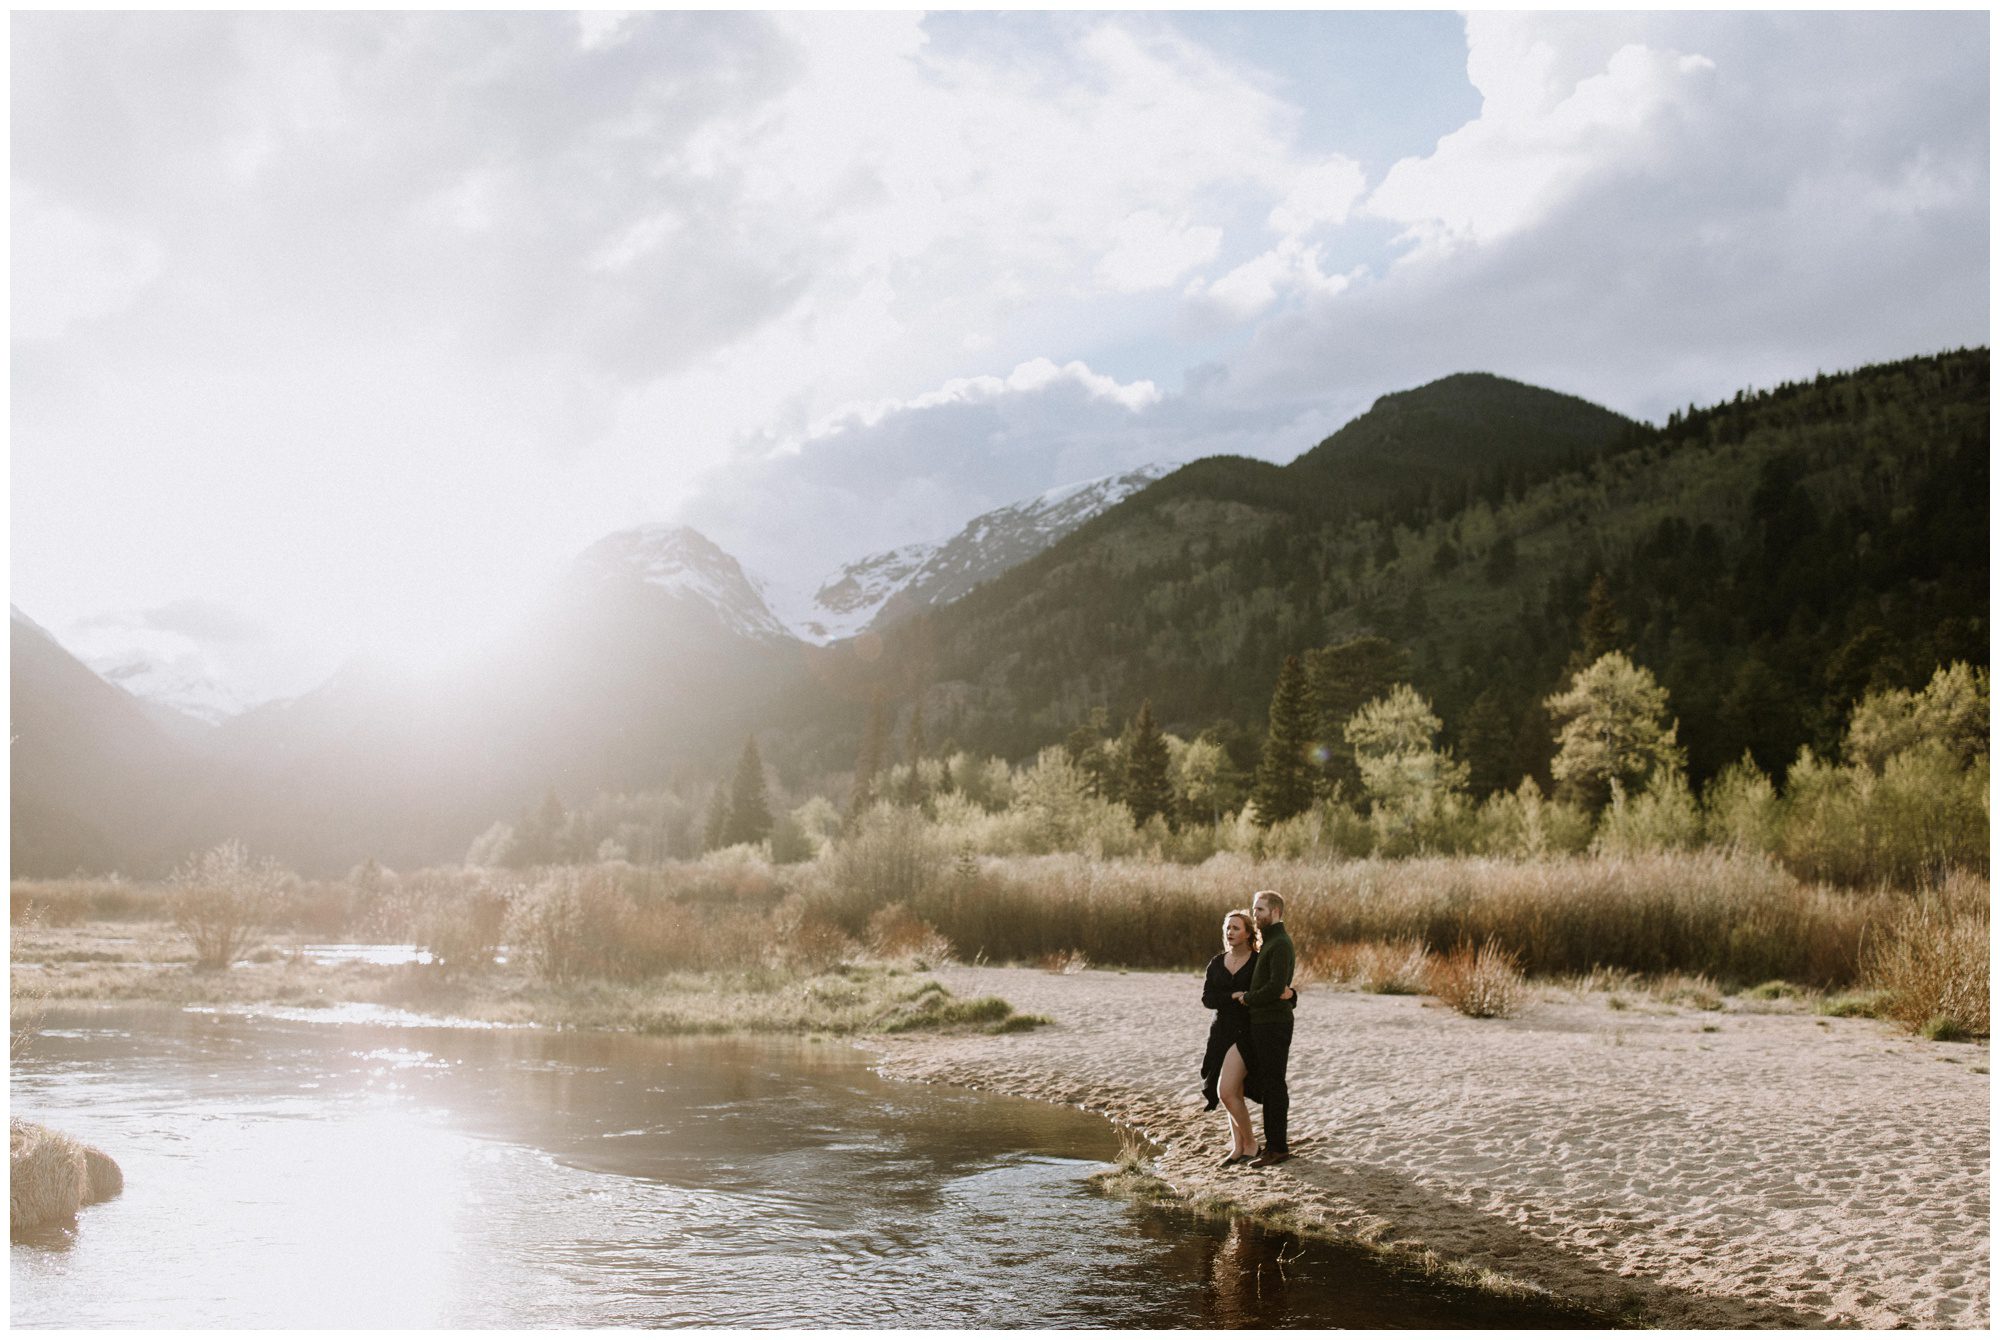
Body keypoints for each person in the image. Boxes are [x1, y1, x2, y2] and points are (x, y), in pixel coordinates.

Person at [1233, 889, 1296, 1167]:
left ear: (1276, 912)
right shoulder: (1270, 941)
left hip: (1273, 1023)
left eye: (1260, 909)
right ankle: (1273, 1145)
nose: (1255, 914)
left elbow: (1274, 988)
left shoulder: (1280, 943)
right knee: (1267, 1084)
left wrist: (1248, 998)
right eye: (1254, 909)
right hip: (1264, 1022)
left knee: (1273, 1085)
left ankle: (1277, 1148)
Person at [1200, 909, 1260, 1167]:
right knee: (1233, 1092)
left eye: (1236, 928)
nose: (1230, 932)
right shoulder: (1216, 963)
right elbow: (1207, 999)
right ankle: (1238, 1147)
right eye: (1227, 928)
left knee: (1225, 1092)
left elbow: (1264, 993)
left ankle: (1252, 1144)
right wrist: (1232, 996)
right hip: (1221, 1031)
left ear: (1248, 933)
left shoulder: (1258, 961)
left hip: (1247, 1031)